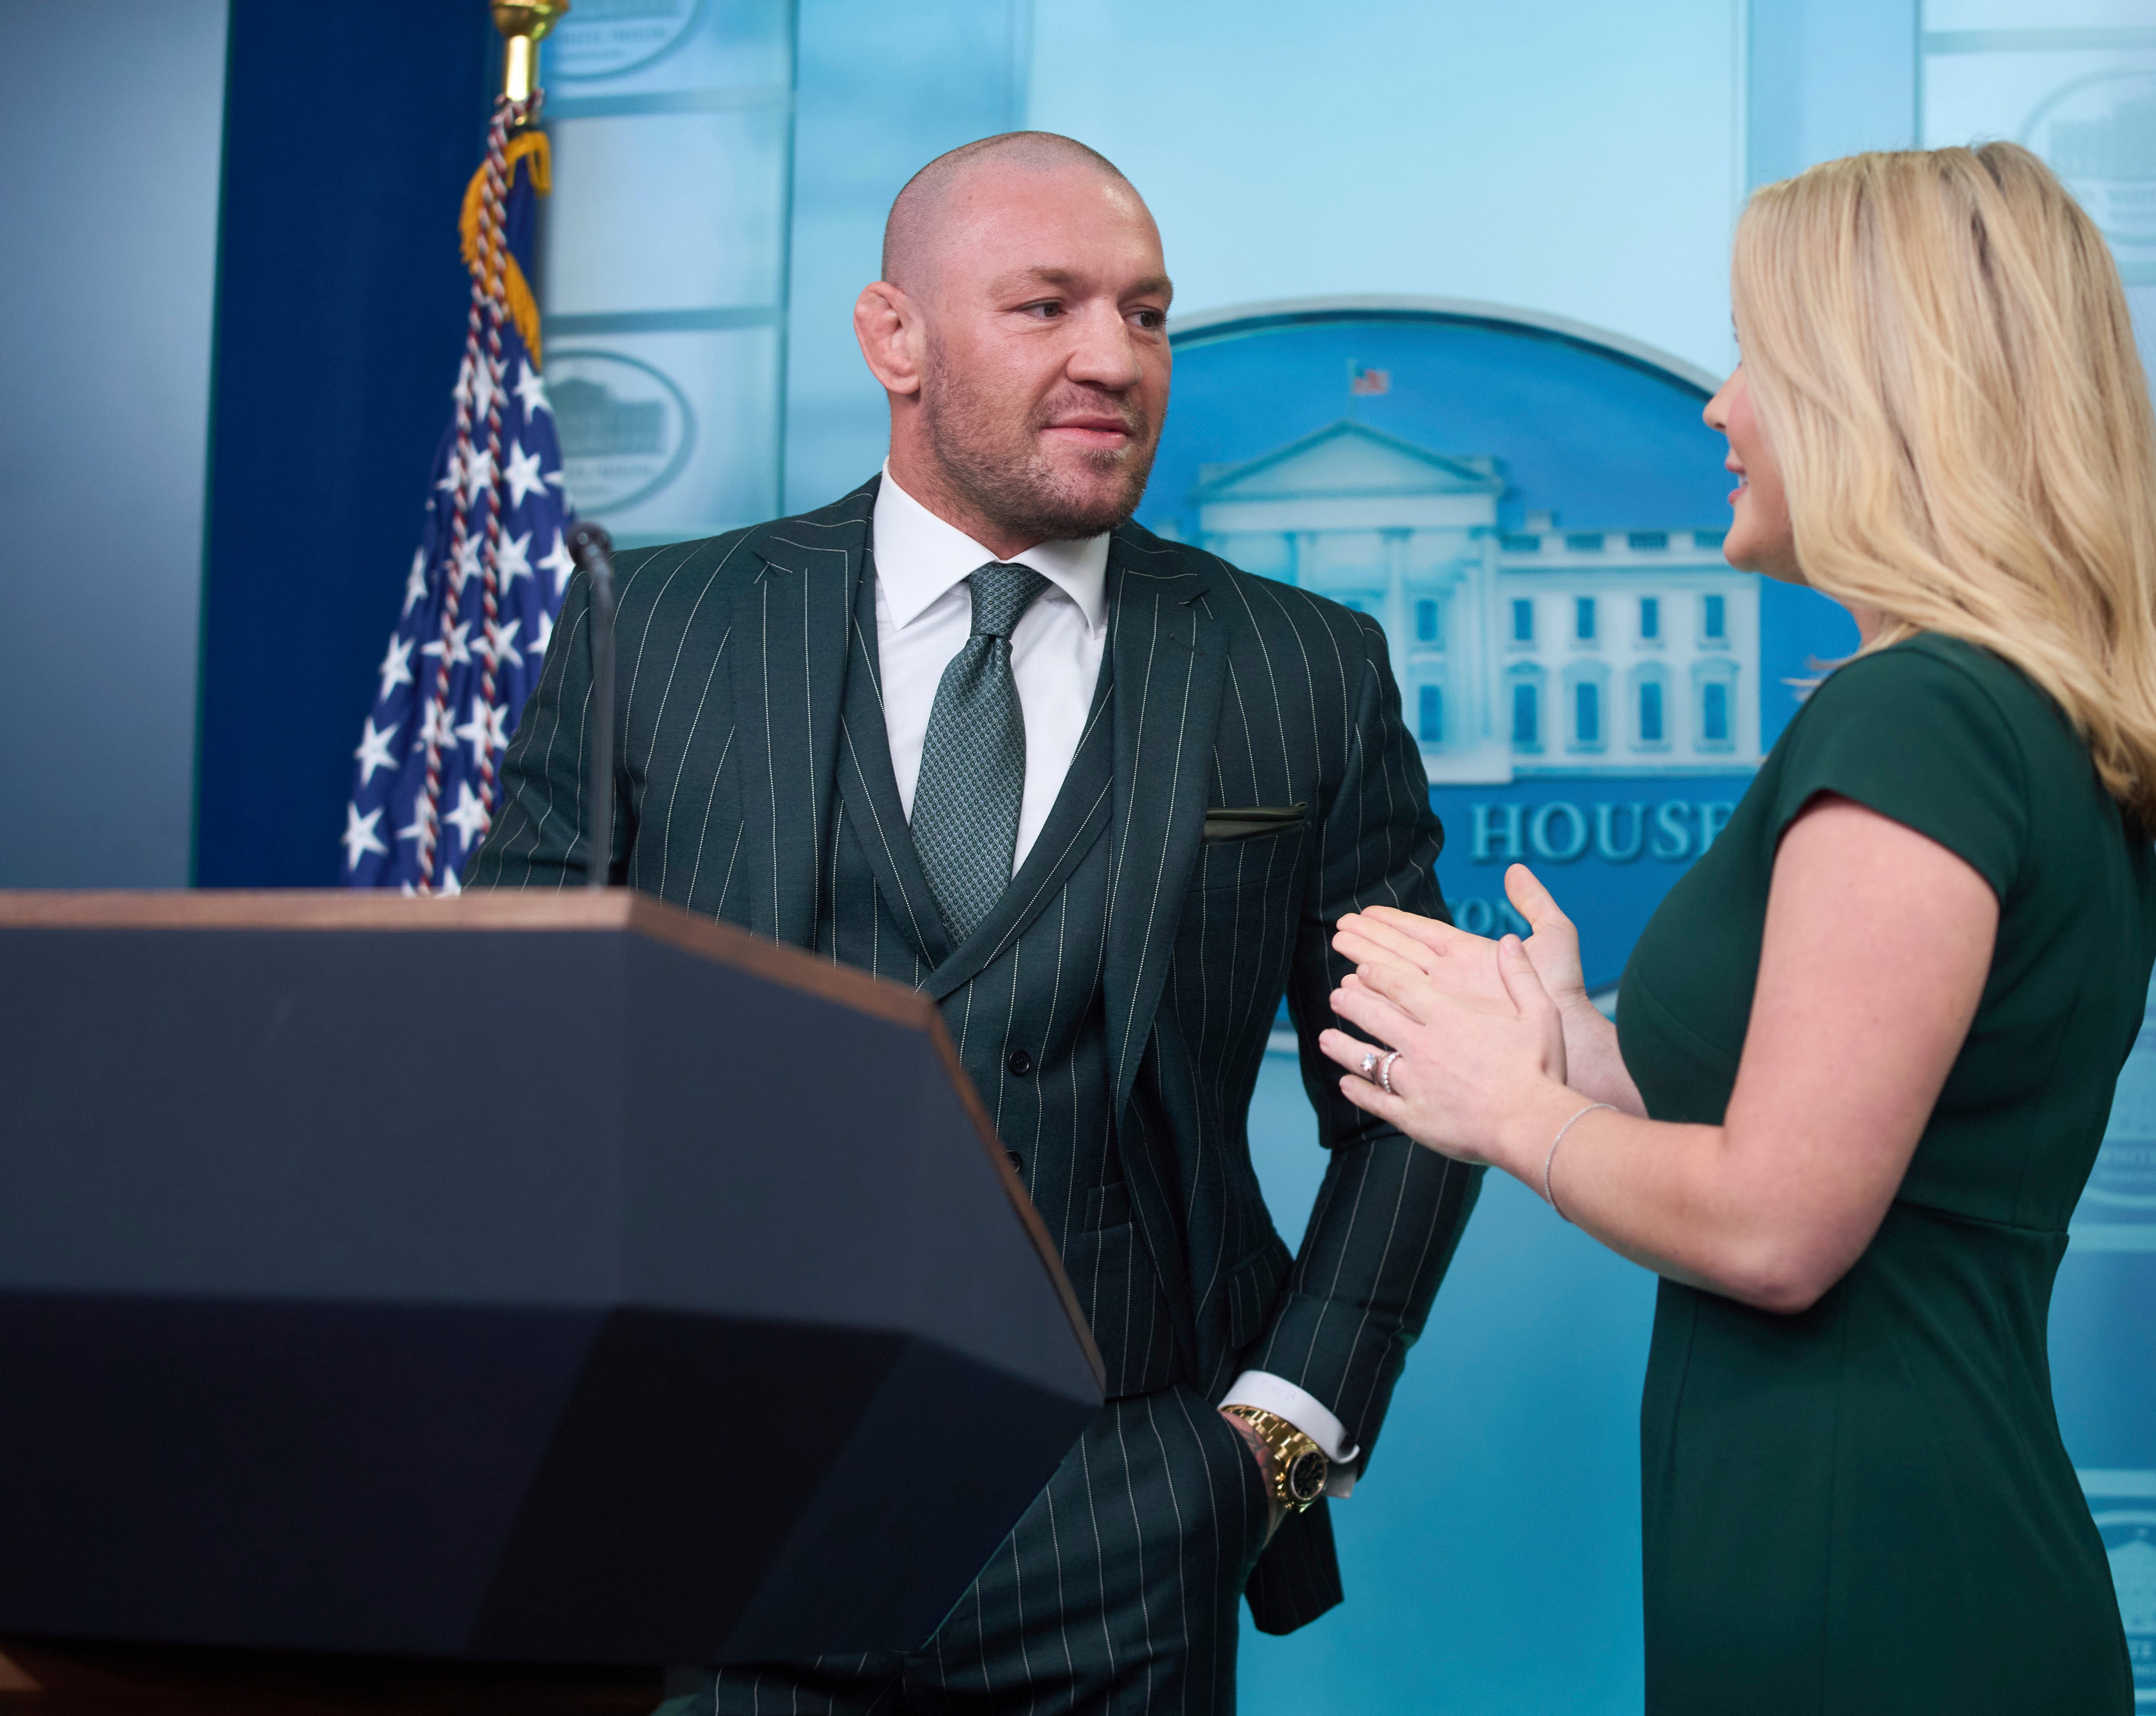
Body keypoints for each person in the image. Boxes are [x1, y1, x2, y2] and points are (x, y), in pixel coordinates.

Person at [471, 132, 1479, 1714]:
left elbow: (1427, 1086)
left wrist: (1282, 1428)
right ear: (894, 337)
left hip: (1127, 1519)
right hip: (722, 1518)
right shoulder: (648, 627)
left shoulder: (1299, 669)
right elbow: (505, 1052)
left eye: (1145, 314)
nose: (1114, 359)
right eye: (1046, 307)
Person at [1319, 142, 2156, 1713]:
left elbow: (1776, 1230)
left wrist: (1513, 1111)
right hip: (1861, 1539)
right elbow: (1863, 1149)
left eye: (1757, 356)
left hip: (1874, 1574)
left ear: (1882, 393)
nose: (1720, 405)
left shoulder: (1923, 722)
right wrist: (1581, 1049)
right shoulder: (1998, 721)